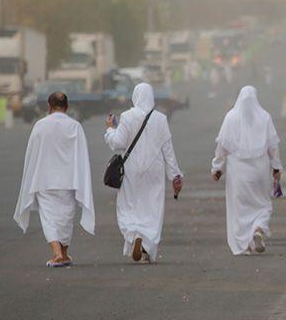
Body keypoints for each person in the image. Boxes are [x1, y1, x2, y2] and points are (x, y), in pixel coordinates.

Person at [14, 92, 95, 267]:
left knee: (49, 218)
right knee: (66, 218)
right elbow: (82, 156)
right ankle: (61, 253)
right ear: (67, 107)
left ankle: (60, 254)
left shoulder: (40, 126)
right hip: (69, 180)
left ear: (49, 107)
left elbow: (31, 154)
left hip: (44, 179)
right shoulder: (75, 126)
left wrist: (31, 176)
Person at [105, 83, 183, 263]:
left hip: (131, 168)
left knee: (128, 204)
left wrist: (110, 129)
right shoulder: (161, 119)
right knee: (152, 207)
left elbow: (118, 143)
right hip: (154, 169)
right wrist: (175, 175)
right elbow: (168, 150)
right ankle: (146, 244)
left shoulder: (127, 116)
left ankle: (134, 234)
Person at [211, 86, 282, 255]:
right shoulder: (264, 117)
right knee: (263, 203)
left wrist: (217, 167)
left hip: (238, 170)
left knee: (240, 207)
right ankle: (258, 228)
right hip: (260, 169)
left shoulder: (230, 117)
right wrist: (277, 166)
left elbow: (222, 146)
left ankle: (245, 242)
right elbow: (273, 146)